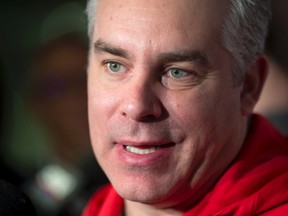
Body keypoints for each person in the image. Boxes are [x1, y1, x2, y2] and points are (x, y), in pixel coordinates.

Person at [83, 0, 288, 215]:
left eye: (177, 72)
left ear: (248, 87)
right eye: (114, 66)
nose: (136, 106)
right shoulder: (94, 206)